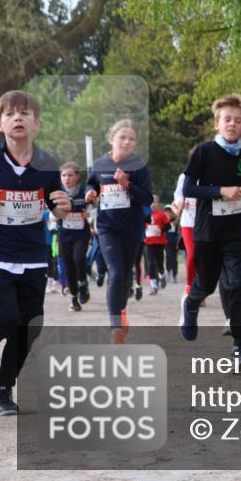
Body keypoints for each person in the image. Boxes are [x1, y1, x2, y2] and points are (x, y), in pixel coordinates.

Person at [179, 94, 241, 361]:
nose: (232, 124)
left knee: (238, 287)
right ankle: (191, 303)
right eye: (227, 120)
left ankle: (240, 346)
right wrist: (221, 191)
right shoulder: (203, 152)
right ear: (217, 124)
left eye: (238, 120)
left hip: (237, 234)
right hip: (208, 232)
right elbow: (188, 188)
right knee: (207, 285)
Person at [0, 90, 71, 415]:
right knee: (6, 317)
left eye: (24, 113)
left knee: (31, 324)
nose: (17, 118)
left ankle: (3, 388)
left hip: (33, 256)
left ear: (36, 123)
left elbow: (55, 209)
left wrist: (63, 209)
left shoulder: (46, 165)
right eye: (10, 113)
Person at [85, 119, 154, 344]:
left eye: (131, 139)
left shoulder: (140, 167)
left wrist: (127, 184)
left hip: (132, 229)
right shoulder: (99, 164)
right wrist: (90, 194)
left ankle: (121, 311)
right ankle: (115, 326)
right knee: (115, 272)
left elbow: (147, 198)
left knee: (125, 275)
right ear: (112, 139)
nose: (126, 142)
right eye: (122, 137)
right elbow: (91, 184)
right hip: (107, 228)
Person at [58, 162, 92, 312]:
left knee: (78, 259)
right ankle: (73, 297)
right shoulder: (57, 192)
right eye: (64, 175)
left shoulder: (85, 190)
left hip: (81, 233)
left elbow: (93, 207)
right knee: (69, 265)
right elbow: (50, 210)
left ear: (78, 176)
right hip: (65, 234)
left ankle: (83, 284)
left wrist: (89, 214)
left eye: (70, 175)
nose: (67, 178)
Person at [172, 153, 198, 295]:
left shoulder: (211, 175)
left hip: (205, 222)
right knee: (192, 255)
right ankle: (189, 285)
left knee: (202, 257)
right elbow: (178, 195)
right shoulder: (184, 177)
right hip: (188, 222)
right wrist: (179, 203)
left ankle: (199, 287)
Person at [144, 195, 169, 295]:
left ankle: (162, 276)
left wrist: (161, 230)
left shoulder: (162, 215)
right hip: (148, 243)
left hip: (159, 242)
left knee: (159, 263)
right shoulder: (145, 215)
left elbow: (168, 226)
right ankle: (154, 286)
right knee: (150, 263)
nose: (153, 204)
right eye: (151, 202)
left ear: (158, 204)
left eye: (155, 202)